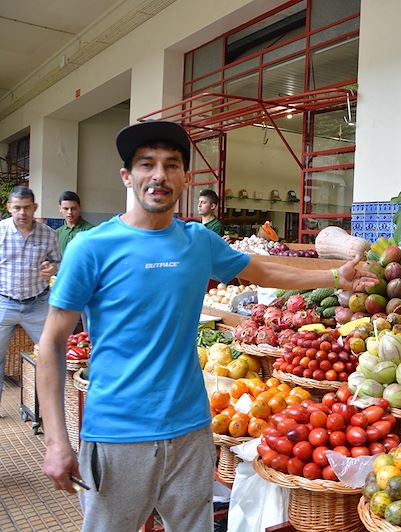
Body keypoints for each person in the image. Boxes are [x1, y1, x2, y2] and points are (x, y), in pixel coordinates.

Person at [36, 120, 376, 531]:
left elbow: (263, 270)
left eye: (171, 164)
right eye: (147, 164)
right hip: (117, 432)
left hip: (191, 431)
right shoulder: (91, 248)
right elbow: (52, 345)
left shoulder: (198, 241)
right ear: (127, 176)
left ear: (183, 178)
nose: (159, 174)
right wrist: (57, 441)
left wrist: (335, 276)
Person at [0, 186, 60, 404]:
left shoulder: (49, 234)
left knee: (51, 355)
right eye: (17, 208)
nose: (22, 213)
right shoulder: (1, 231)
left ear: (35, 207)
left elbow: (58, 262)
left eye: (27, 208)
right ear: (9, 208)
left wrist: (53, 268)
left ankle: (50, 407)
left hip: (38, 304)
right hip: (4, 303)